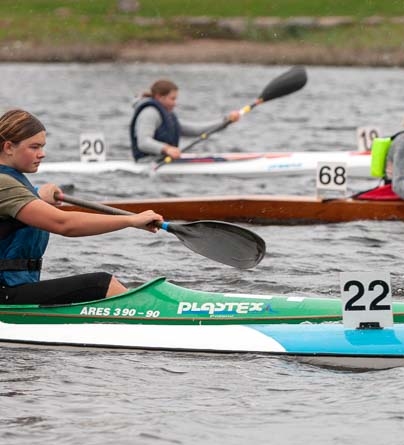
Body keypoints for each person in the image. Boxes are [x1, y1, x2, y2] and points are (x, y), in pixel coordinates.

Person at [0, 109, 163, 304]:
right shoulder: (4, 184)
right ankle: (158, 318)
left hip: (13, 287)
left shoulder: (10, 182)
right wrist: (131, 220)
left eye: (42, 147)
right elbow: (64, 224)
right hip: (6, 292)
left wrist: (39, 196)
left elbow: (18, 203)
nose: (42, 154)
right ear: (9, 147)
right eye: (34, 147)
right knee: (101, 284)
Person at [129, 79, 240, 162]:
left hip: (162, 160)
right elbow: (143, 143)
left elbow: (197, 130)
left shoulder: (167, 115)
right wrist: (167, 149)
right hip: (146, 162)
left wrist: (226, 121)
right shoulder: (149, 113)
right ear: (159, 97)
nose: (175, 103)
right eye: (172, 99)